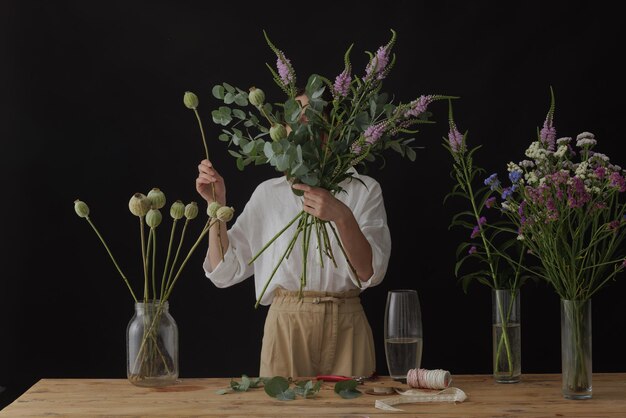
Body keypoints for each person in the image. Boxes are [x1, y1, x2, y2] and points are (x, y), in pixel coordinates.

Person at [196, 94, 391, 378]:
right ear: (283, 134)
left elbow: (370, 272)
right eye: (293, 120)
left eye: (311, 119)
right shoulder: (268, 194)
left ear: (331, 129)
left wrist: (342, 216)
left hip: (348, 321)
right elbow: (224, 271)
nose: (301, 127)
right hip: (286, 323)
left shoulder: (364, 189)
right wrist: (217, 207)